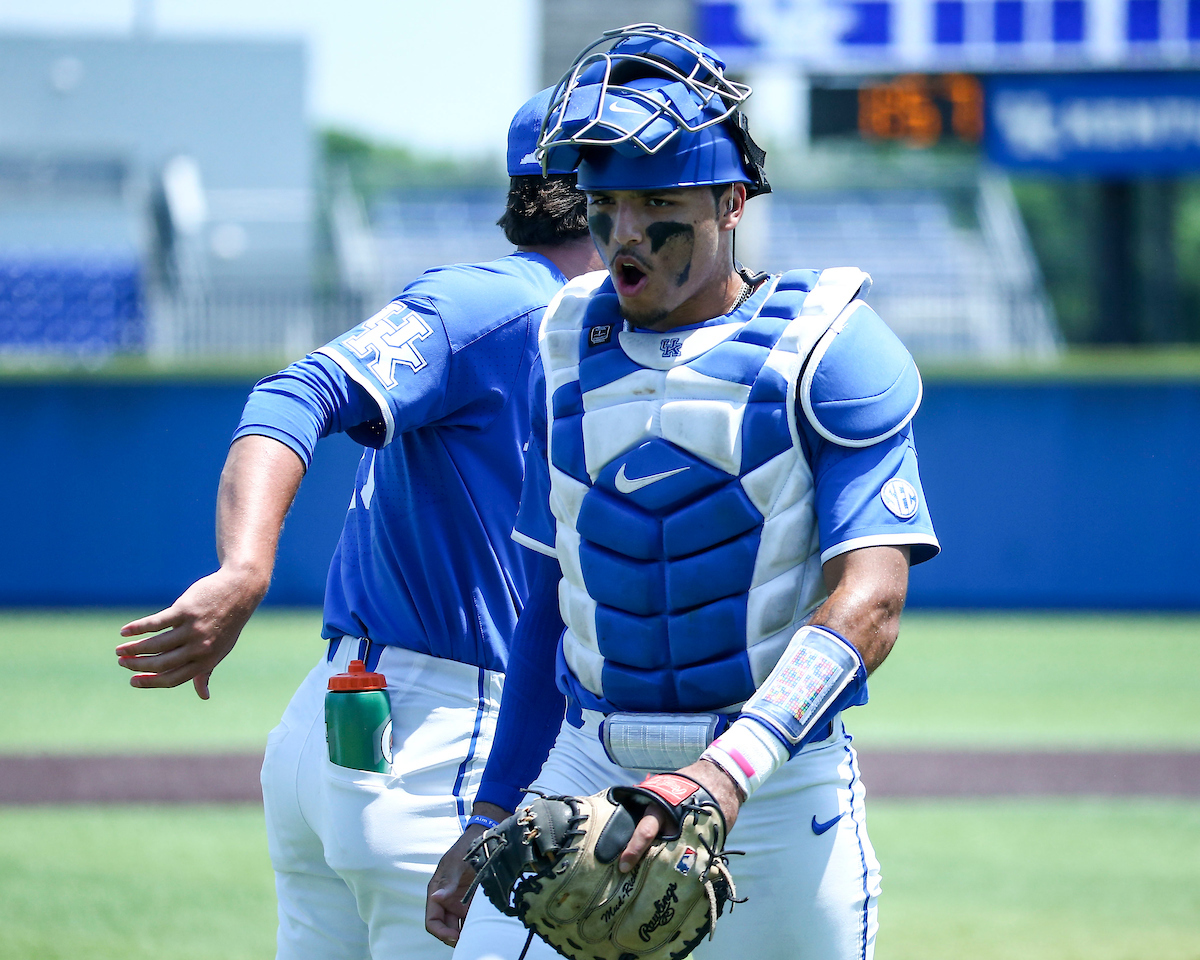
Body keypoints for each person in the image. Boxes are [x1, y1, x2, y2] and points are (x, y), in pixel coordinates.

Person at [425, 25, 940, 960]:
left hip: (774, 793)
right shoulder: (557, 345)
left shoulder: (832, 345)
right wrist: (493, 805)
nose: (624, 232)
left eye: (656, 200)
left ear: (730, 201)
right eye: (605, 201)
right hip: (586, 777)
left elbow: (872, 604)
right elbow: (552, 601)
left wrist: (723, 773)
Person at [114, 89, 604, 960]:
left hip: (343, 726)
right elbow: (294, 392)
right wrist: (244, 569)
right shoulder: (506, 304)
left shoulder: (570, 319)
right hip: (450, 740)